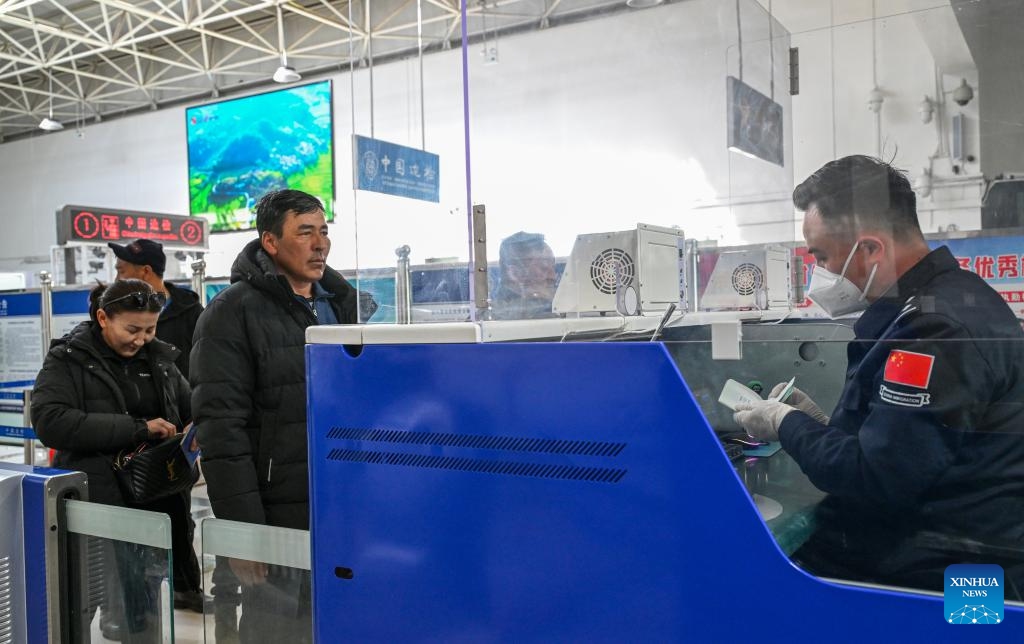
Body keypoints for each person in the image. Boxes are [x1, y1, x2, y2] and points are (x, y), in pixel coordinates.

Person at [732, 155, 1024, 596]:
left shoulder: (932, 331)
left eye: (824, 257)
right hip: (949, 551)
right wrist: (824, 427)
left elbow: (875, 478)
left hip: (958, 584)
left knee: (754, 582)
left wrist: (784, 423)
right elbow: (914, 448)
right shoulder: (949, 302)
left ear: (870, 250)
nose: (821, 274)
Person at [190, 189, 377, 642]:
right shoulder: (231, 313)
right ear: (270, 242)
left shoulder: (343, 305)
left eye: (324, 232)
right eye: (305, 232)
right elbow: (221, 430)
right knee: (279, 629)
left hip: (347, 505)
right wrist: (245, 532)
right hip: (279, 514)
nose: (320, 244)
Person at [31, 279, 192, 642]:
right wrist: (138, 429)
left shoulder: (160, 360)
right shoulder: (68, 359)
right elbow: (50, 421)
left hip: (155, 498)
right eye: (132, 329)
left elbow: (187, 405)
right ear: (103, 317)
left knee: (144, 606)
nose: (141, 339)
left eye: (150, 329)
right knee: (90, 603)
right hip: (97, 503)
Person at [108, 237, 207, 613]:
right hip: (133, 436)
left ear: (145, 271)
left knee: (178, 515)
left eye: (123, 269)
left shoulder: (189, 314)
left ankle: (186, 587)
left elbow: (202, 370)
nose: (141, 337)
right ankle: (135, 608)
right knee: (135, 525)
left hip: (177, 433)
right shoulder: (112, 312)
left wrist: (195, 417)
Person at [491, 231, 558, 320]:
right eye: (544, 268)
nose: (553, 276)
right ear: (515, 273)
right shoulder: (495, 315)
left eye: (553, 267)